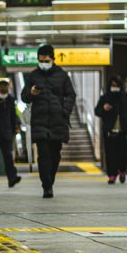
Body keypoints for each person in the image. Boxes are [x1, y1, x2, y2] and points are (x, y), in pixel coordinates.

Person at [21, 44, 76, 199]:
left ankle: (50, 180)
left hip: (58, 121)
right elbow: (24, 96)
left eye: (46, 60)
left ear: (53, 59)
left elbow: (71, 95)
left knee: (55, 154)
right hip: (40, 120)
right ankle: (47, 185)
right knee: (43, 154)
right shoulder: (33, 75)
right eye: (40, 61)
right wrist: (31, 93)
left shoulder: (62, 76)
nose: (43, 63)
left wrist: (64, 111)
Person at [94, 73, 127, 184]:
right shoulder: (105, 97)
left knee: (123, 153)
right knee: (110, 154)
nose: (114, 87)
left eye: (116, 85)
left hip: (123, 131)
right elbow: (97, 111)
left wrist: (126, 119)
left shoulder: (126, 97)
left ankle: (122, 171)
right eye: (112, 85)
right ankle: (112, 174)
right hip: (109, 131)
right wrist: (104, 109)